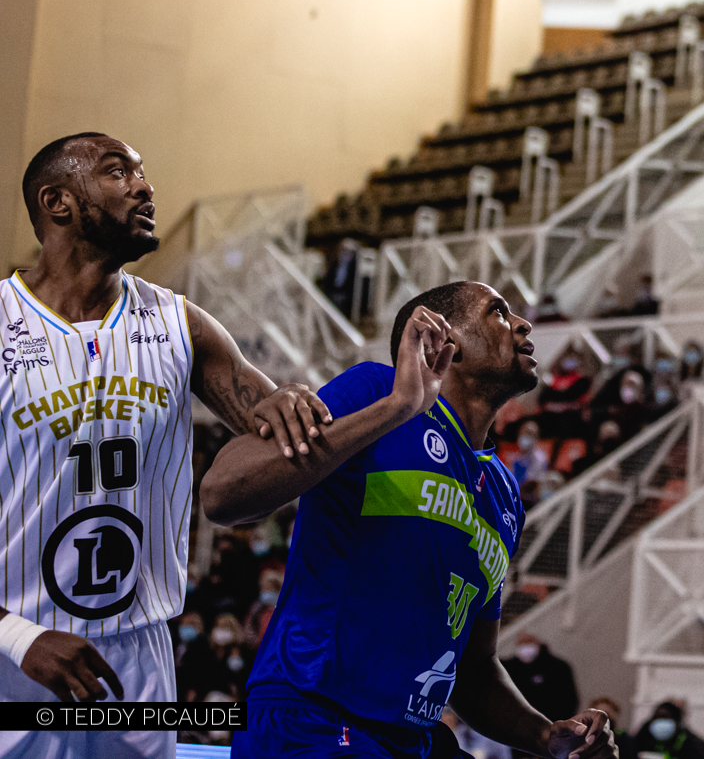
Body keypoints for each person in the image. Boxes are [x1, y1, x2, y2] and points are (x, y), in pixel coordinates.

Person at [0, 133, 327, 758]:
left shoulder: (182, 324)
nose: (146, 187)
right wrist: (17, 638)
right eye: (119, 172)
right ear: (58, 203)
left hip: (140, 651)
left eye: (143, 173)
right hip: (18, 651)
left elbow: (276, 435)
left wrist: (292, 405)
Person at [205, 282, 614, 759]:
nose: (523, 325)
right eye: (498, 313)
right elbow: (222, 493)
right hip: (313, 719)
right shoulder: (374, 390)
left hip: (409, 738)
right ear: (447, 343)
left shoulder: (504, 492)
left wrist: (546, 737)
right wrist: (397, 408)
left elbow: (475, 666)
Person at [504, 635, 581, 727]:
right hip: (522, 726)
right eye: (522, 643)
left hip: (554, 722)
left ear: (537, 643)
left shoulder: (557, 667)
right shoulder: (510, 669)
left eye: (528, 642)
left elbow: (569, 697)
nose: (526, 647)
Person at [634, 702, 704, 759]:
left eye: (665, 717)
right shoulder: (644, 735)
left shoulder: (689, 741)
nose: (661, 722)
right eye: (658, 717)